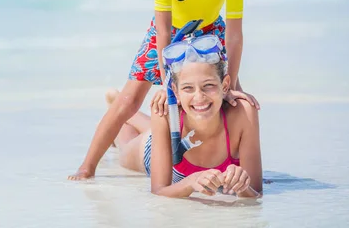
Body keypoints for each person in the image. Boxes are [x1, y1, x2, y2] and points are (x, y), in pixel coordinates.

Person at [69, 0, 258, 180]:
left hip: (210, 31)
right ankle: (88, 165)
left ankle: (244, 163)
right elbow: (163, 31)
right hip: (168, 32)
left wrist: (232, 82)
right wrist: (168, 83)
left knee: (229, 97)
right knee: (131, 101)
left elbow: (233, 37)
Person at [105, 40, 262, 198]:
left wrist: (243, 185)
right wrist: (191, 182)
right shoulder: (166, 112)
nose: (199, 97)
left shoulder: (244, 113)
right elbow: (159, 190)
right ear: (176, 91)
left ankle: (118, 102)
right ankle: (120, 109)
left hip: (177, 132)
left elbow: (256, 192)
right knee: (124, 147)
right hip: (157, 150)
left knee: (154, 128)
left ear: (225, 85)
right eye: (188, 88)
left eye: (208, 85)